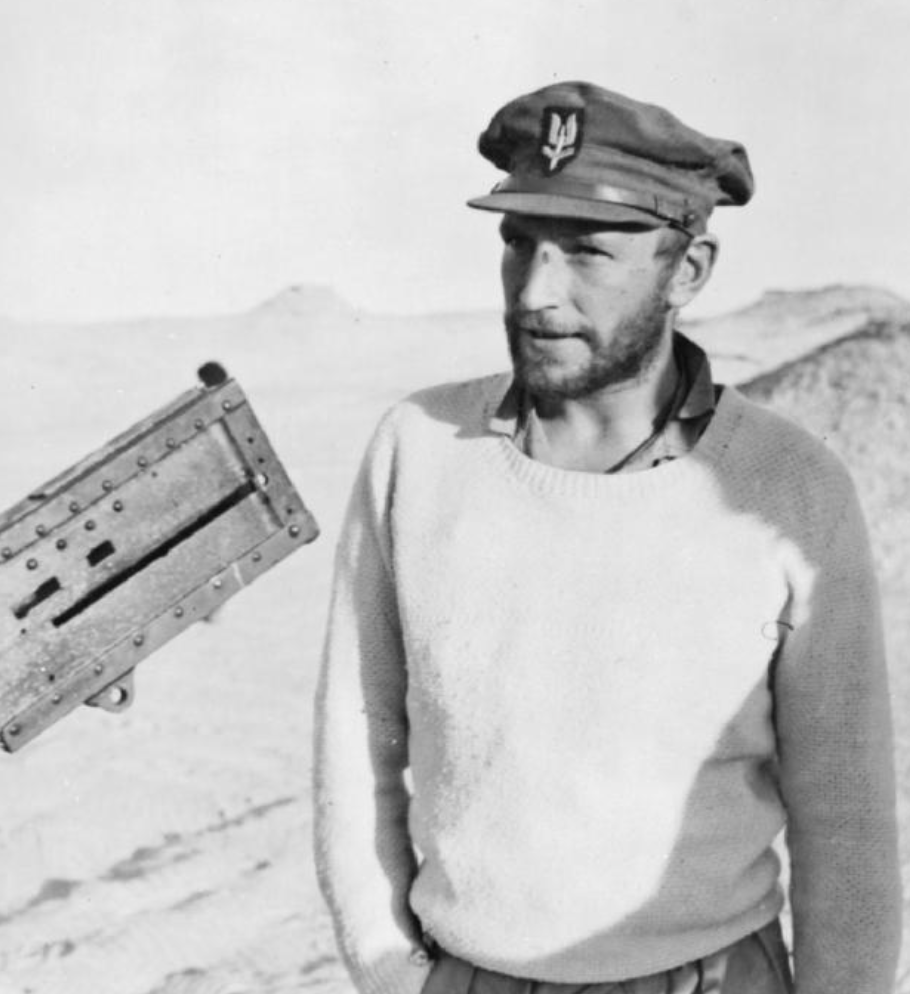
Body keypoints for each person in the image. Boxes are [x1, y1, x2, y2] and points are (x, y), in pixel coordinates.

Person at [313, 82, 901, 994]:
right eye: (519, 243)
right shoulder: (418, 450)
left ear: (689, 270)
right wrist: (395, 976)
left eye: (587, 250)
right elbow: (355, 750)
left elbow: (848, 821)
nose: (536, 293)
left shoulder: (790, 486)